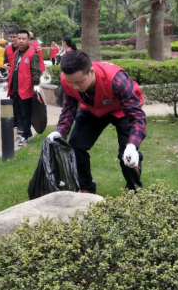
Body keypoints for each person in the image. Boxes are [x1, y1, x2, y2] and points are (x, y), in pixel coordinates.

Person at [49, 52, 147, 194]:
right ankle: (86, 188)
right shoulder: (67, 79)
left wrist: (132, 145)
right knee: (75, 146)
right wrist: (60, 131)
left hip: (121, 110)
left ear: (91, 72)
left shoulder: (116, 79)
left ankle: (134, 190)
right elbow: (69, 107)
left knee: (127, 155)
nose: (75, 87)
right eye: (71, 83)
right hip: (93, 108)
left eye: (79, 82)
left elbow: (136, 116)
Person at [7, 30, 41, 146]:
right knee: (18, 112)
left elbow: (35, 71)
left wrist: (36, 85)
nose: (21, 41)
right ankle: (27, 132)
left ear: (28, 40)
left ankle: (25, 135)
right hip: (15, 88)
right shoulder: (17, 53)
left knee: (25, 113)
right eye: (19, 38)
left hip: (26, 88)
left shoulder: (32, 54)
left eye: (23, 39)